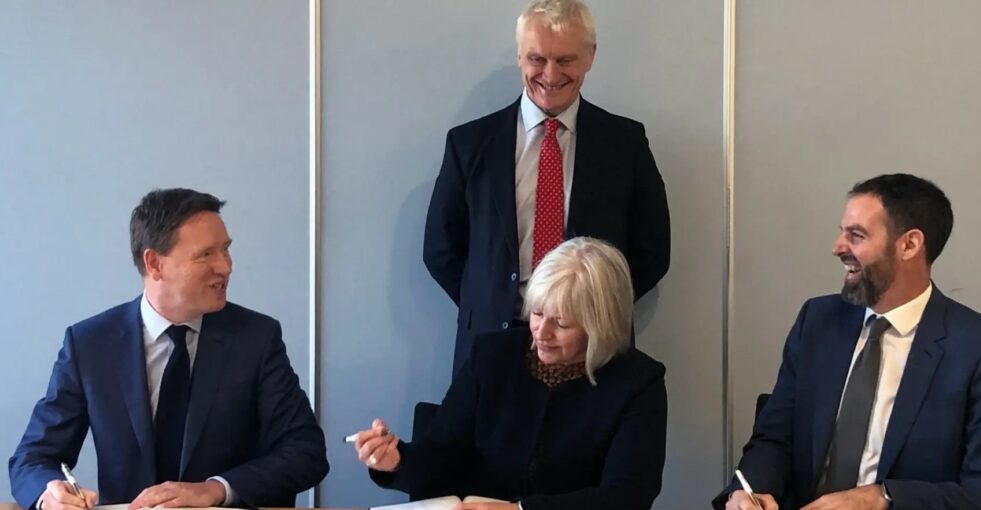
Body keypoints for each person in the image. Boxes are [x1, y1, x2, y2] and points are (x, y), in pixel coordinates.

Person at [714, 174, 981, 510]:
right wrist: (749, 492)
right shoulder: (818, 321)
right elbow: (775, 437)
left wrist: (883, 498)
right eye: (841, 232)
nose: (837, 247)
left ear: (909, 245)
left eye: (856, 235)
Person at [9, 188, 328, 510]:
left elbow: (305, 451)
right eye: (206, 254)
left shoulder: (256, 338)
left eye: (226, 250)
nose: (226, 267)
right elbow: (33, 458)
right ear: (155, 264)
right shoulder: (90, 344)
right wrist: (48, 494)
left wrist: (215, 489)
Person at [422, 0, 671, 375]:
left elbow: (652, 250)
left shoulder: (625, 144)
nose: (550, 74)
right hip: (492, 348)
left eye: (566, 60)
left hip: (592, 351)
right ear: (520, 57)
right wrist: (489, 303)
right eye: (537, 59)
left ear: (590, 57)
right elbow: (441, 249)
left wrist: (594, 311)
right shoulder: (469, 144)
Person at [354, 237, 667, 510]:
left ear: (600, 325)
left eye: (561, 323)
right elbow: (441, 452)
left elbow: (628, 496)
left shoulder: (638, 382)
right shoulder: (493, 355)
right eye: (537, 313)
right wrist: (395, 462)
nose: (540, 332)